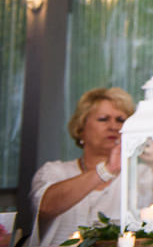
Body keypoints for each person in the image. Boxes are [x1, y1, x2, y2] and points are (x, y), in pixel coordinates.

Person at [30, 87, 134, 247]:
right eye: (103, 119)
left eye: (120, 120)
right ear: (80, 128)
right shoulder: (54, 171)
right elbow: (45, 207)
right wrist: (105, 171)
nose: (114, 126)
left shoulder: (137, 178)